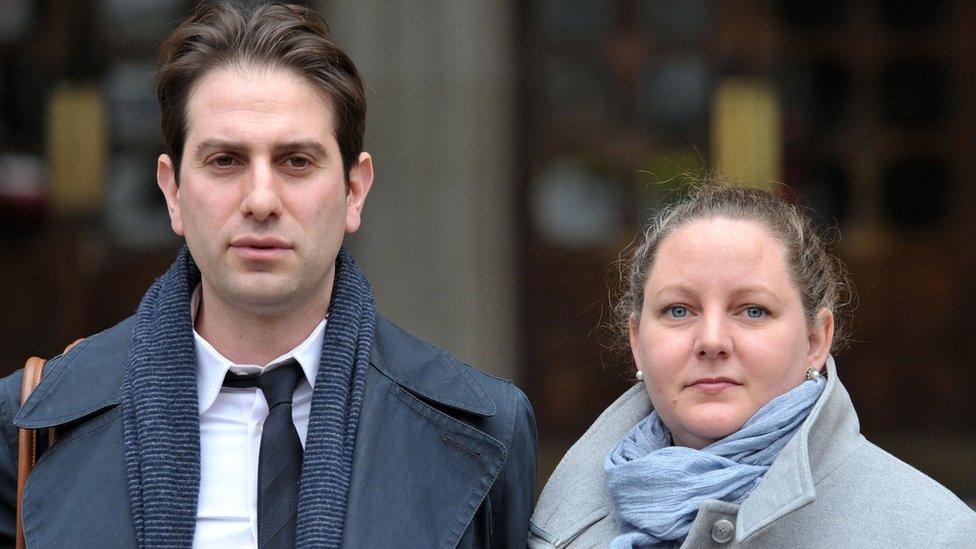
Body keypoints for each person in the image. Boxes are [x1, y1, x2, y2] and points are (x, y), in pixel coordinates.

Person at [0, 3, 536, 547]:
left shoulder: (485, 428)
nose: (260, 200)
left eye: (297, 161)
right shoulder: (30, 424)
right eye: (225, 161)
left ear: (355, 191)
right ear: (173, 192)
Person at [529, 183, 976, 547]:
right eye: (679, 310)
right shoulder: (557, 519)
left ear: (816, 340)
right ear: (637, 343)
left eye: (753, 311)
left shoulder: (931, 534)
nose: (712, 341)